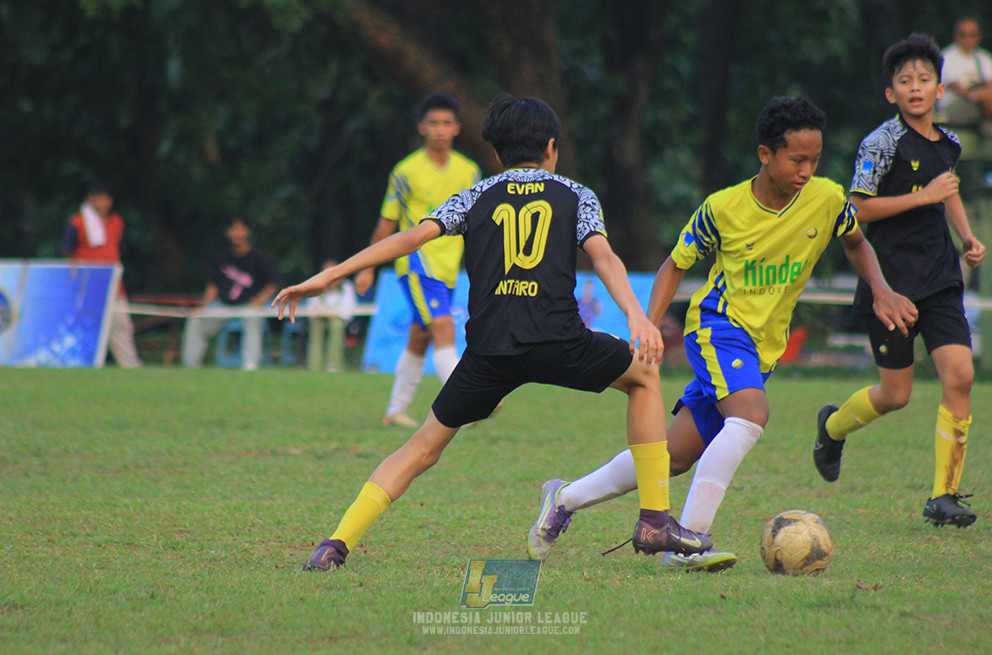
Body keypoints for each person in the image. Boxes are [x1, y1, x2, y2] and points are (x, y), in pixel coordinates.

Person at [274, 95, 713, 572]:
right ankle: (654, 519)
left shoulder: (476, 195)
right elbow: (603, 256)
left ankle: (335, 544)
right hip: (559, 342)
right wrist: (635, 314)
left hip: (489, 354)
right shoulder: (577, 194)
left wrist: (331, 274)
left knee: (420, 448)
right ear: (551, 146)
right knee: (644, 376)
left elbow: (411, 237)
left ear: (498, 151)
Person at [526, 97, 918, 572]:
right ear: (765, 154)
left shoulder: (828, 199)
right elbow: (675, 264)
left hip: (762, 346)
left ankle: (564, 498)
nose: (806, 171)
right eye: (797, 160)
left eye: (815, 160)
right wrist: (648, 325)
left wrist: (880, 290)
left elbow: (856, 242)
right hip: (717, 326)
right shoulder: (723, 208)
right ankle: (686, 544)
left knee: (671, 456)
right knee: (751, 415)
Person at [813, 34, 986, 528]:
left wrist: (968, 238)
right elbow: (857, 209)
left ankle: (943, 496)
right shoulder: (880, 142)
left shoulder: (948, 144)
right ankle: (832, 426)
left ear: (938, 89)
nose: (915, 88)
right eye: (905, 81)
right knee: (895, 395)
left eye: (924, 79)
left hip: (940, 278)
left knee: (960, 375)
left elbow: (947, 192)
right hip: (890, 284)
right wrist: (921, 196)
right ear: (891, 93)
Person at [353, 92, 481, 427]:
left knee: (420, 336)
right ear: (422, 128)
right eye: (433, 123)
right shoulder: (405, 171)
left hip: (448, 268)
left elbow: (478, 221)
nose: (440, 129)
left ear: (457, 128)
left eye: (446, 123)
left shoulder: (469, 172)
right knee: (442, 326)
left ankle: (395, 411)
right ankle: (471, 399)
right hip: (415, 263)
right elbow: (388, 220)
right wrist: (367, 265)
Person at [181, 215, 281, 371]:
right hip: (223, 306)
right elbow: (213, 285)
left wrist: (260, 300)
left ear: (247, 232)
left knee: (253, 318)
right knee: (196, 321)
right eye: (233, 229)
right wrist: (203, 306)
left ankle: (250, 365)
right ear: (227, 232)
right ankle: (190, 365)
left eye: (240, 229)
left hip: (248, 306)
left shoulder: (259, 257)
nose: (237, 233)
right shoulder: (221, 257)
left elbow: (275, 281)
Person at [60, 183, 142, 368]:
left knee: (121, 325)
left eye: (106, 198)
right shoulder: (77, 222)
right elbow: (67, 251)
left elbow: (119, 250)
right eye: (99, 198)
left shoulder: (117, 222)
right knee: (83, 324)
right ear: (90, 200)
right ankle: (76, 362)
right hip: (86, 283)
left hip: (113, 283)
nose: (103, 203)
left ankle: (130, 366)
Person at [939, 17, 992, 145]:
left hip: (984, 109)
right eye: (963, 34)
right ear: (956, 36)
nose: (967, 39)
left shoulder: (985, 58)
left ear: (978, 37)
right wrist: (983, 98)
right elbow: (959, 89)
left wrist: (987, 98)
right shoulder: (947, 57)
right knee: (987, 110)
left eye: (972, 35)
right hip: (956, 106)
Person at [305, 260, 357, 372]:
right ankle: (314, 365)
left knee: (336, 326)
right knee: (316, 326)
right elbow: (311, 310)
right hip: (320, 319)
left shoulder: (346, 287)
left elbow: (347, 311)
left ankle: (333, 365)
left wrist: (332, 315)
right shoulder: (316, 286)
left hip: (338, 320)